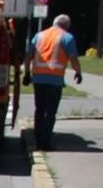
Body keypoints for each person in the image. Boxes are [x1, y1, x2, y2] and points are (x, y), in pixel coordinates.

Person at [30, 14, 83, 150]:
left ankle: (37, 141)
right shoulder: (67, 37)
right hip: (55, 80)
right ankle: (46, 142)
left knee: (39, 110)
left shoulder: (39, 35)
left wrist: (26, 74)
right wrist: (78, 72)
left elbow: (28, 55)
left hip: (38, 79)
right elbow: (73, 58)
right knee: (50, 112)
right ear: (67, 26)